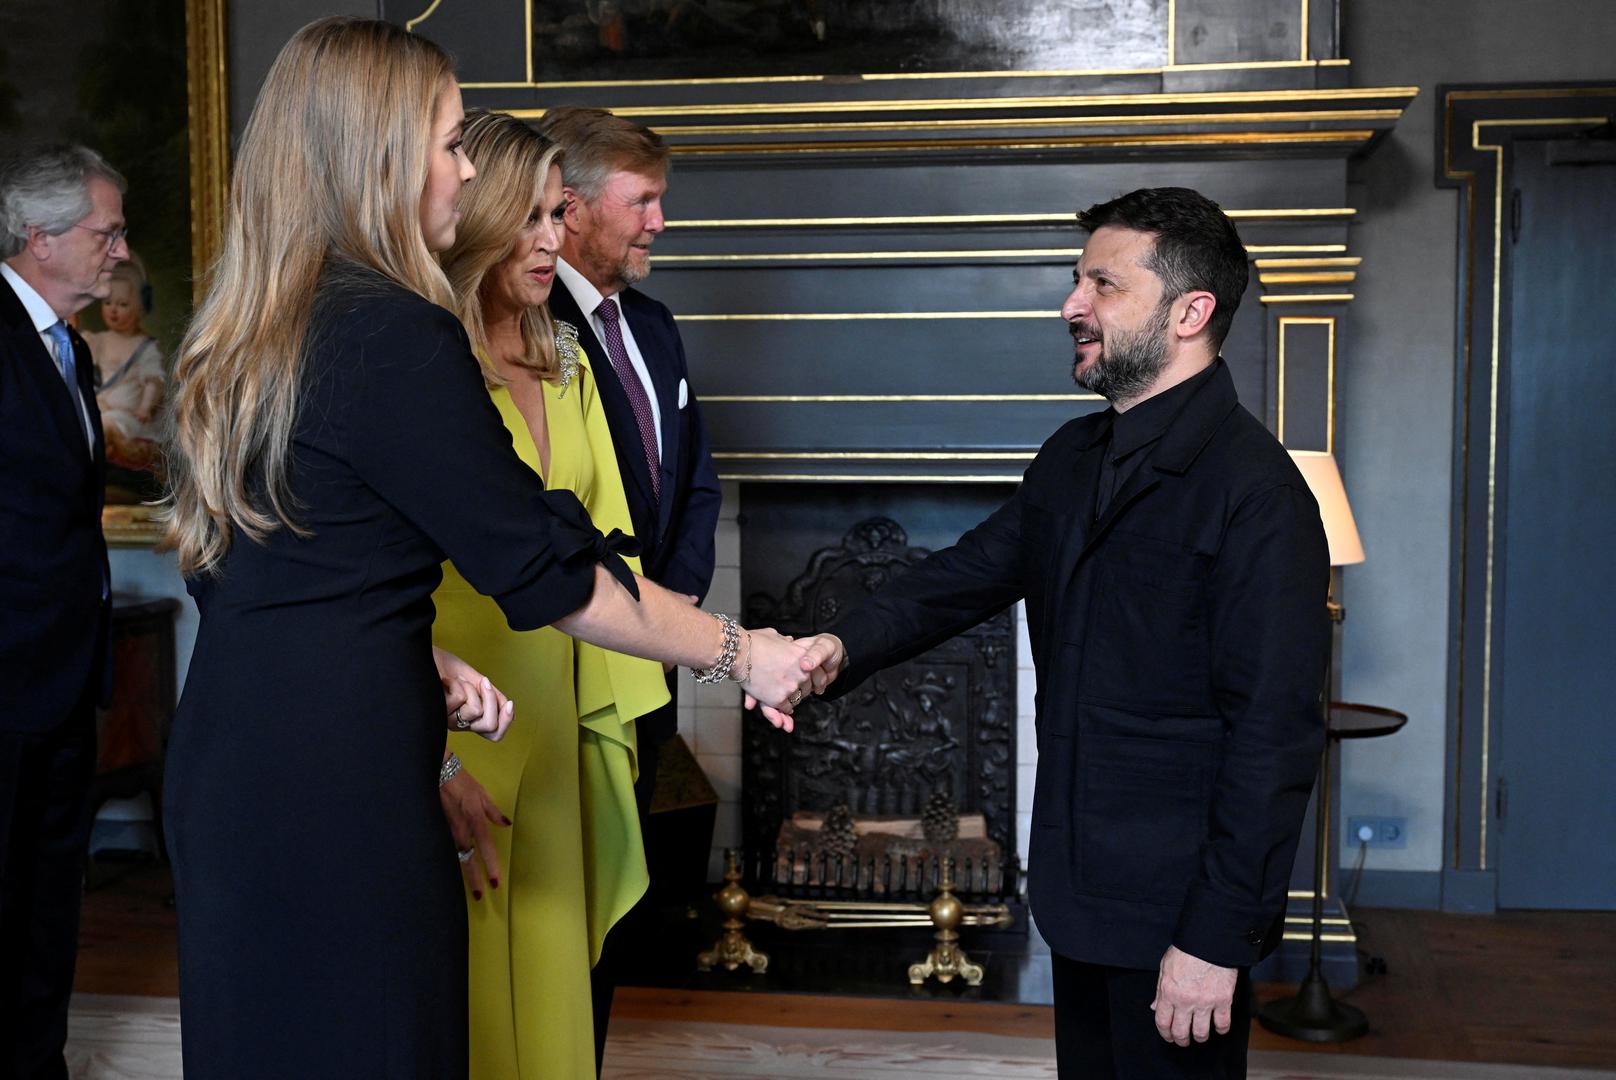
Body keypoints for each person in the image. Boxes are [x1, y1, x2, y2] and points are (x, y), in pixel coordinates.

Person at [158, 18, 811, 1079]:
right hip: (343, 781)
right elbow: (543, 567)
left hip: (230, 763)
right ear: (378, 154)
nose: (468, 171)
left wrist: (414, 655)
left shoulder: (252, 322)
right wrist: (744, 653)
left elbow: (238, 573)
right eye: (452, 142)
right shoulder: (394, 331)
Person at [798, 188, 1331, 1079]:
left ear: (1190, 312)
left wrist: (1214, 938)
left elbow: (1273, 739)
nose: (1071, 305)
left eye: (1103, 285)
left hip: (1177, 917)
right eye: (1077, 280)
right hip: (1080, 894)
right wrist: (834, 648)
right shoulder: (1070, 459)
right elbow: (958, 578)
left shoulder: (1261, 496)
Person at [429, 109, 667, 1079]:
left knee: (553, 960)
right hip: (460, 706)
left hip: (561, 700)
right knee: (465, 982)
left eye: (557, 213)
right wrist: (433, 756)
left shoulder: (567, 360)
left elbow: (608, 547)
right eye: (528, 216)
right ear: (477, 216)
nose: (549, 239)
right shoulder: (424, 365)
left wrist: (706, 656)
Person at [536, 105, 723, 1068]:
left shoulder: (653, 323)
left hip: (652, 652)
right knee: (562, 891)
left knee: (620, 882)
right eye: (642, 201)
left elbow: (697, 482)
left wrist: (673, 607)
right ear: (570, 206)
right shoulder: (524, 322)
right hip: (563, 652)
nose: (659, 222)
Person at [0, 142, 124, 1080]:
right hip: (6, 684)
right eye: (105, 233)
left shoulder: (68, 347)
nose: (119, 251)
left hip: (66, 680)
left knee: (48, 904)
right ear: (39, 238)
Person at [81, 255, 165, 473]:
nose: (113, 310)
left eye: (123, 304)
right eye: (107, 303)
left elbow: (153, 381)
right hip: (104, 407)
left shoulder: (144, 346)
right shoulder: (99, 340)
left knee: (103, 425)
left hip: (130, 416)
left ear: (140, 307)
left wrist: (145, 407)